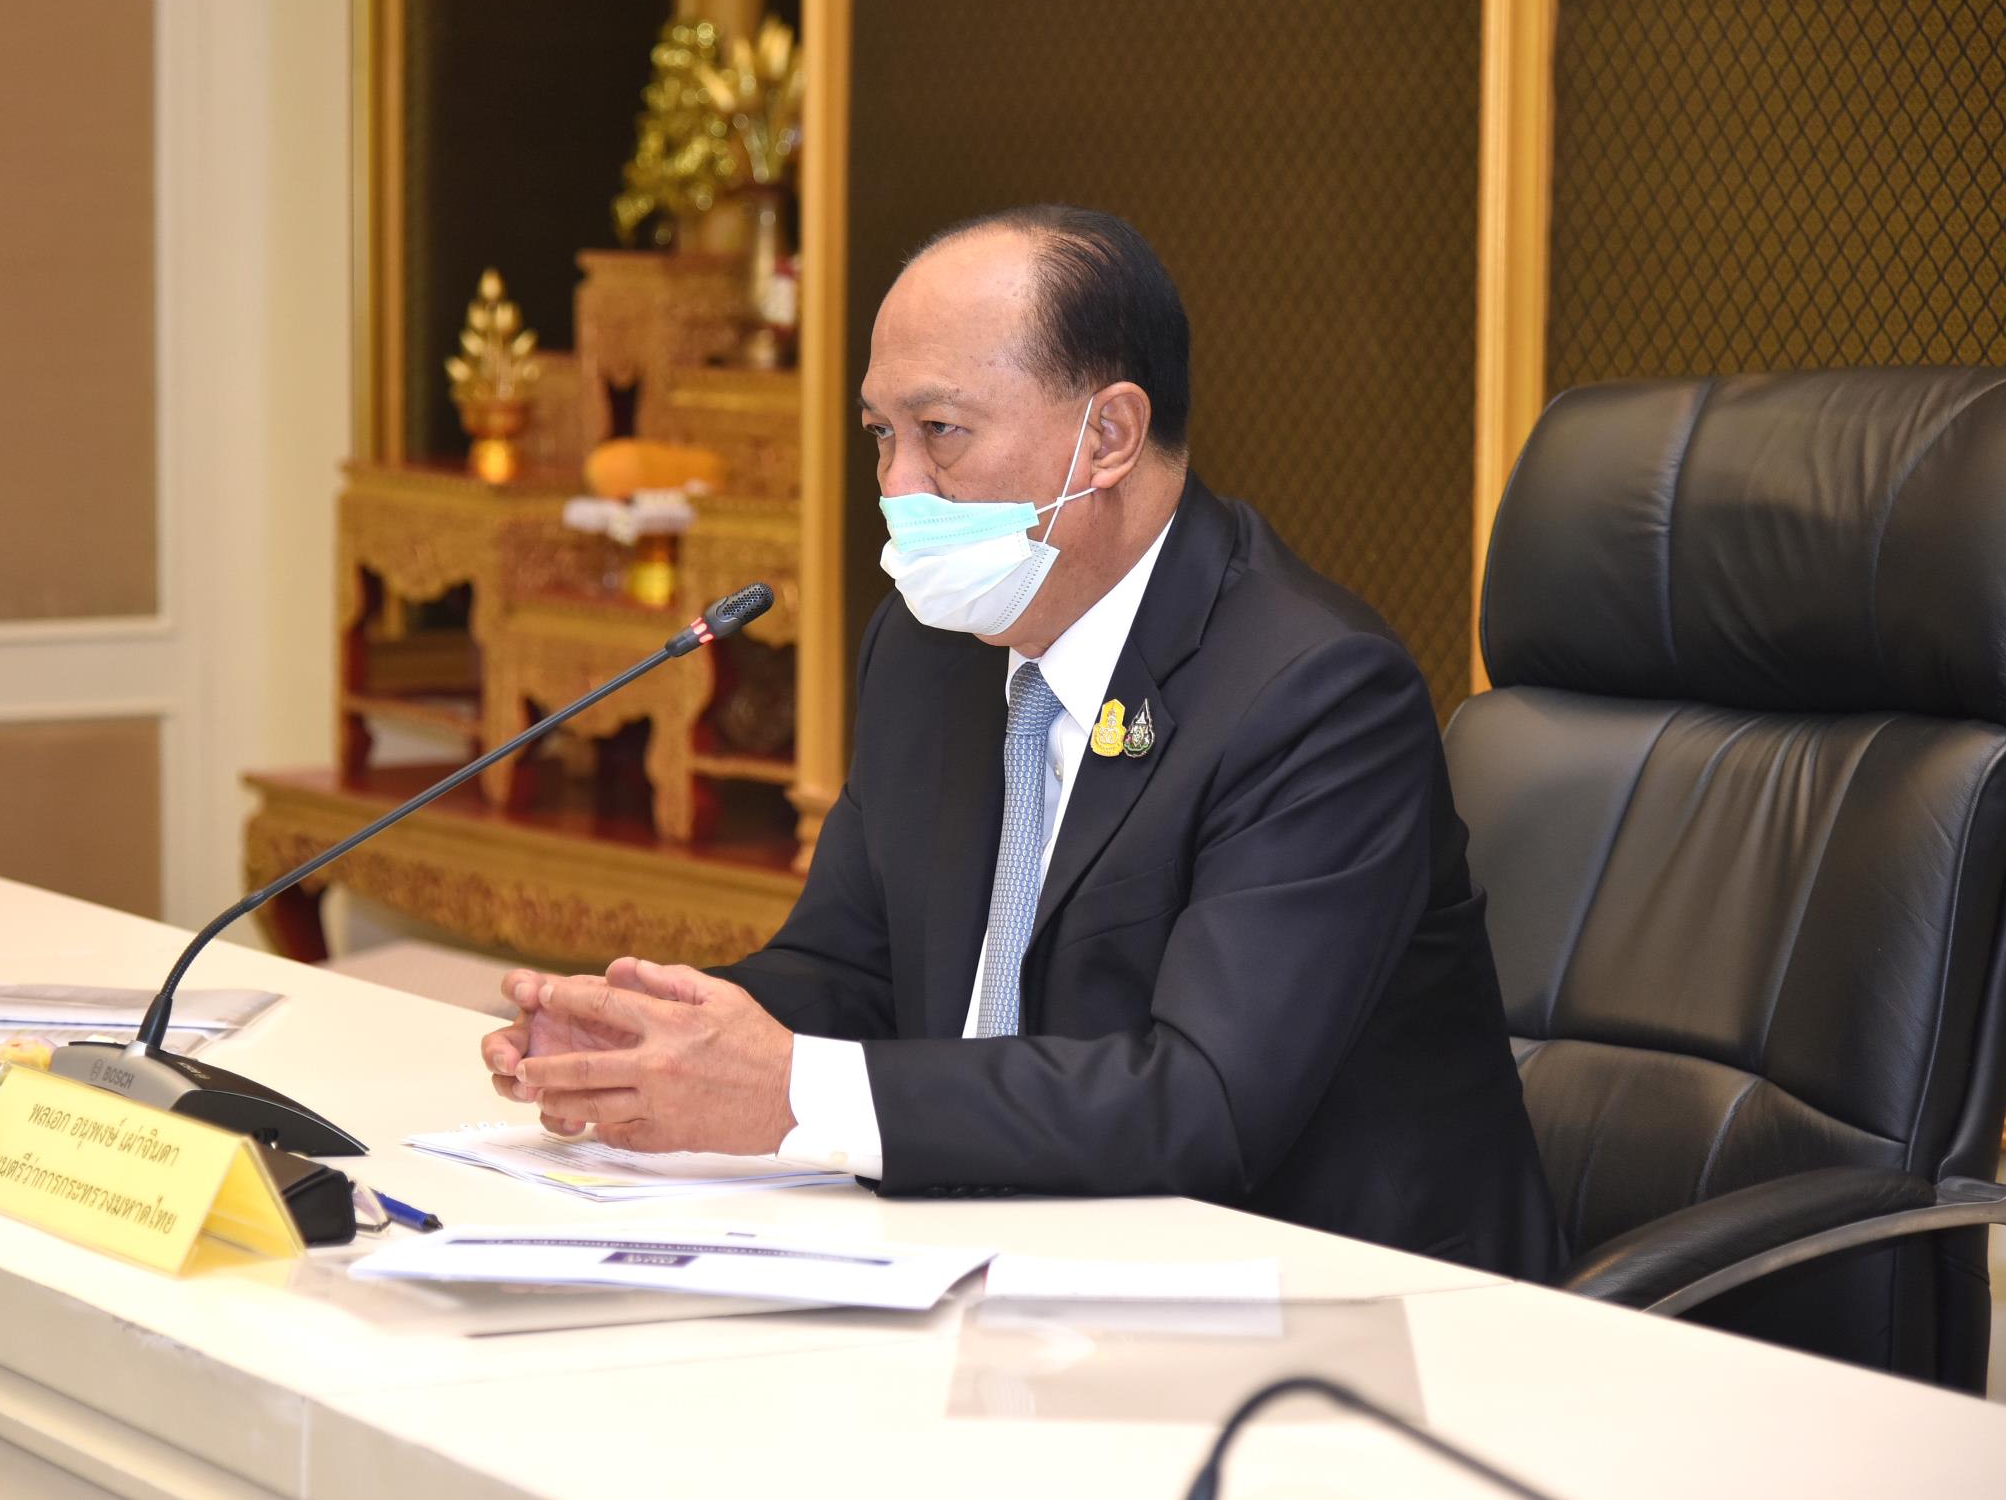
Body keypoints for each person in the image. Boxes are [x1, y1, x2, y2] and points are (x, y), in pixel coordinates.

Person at [480, 205, 1564, 1279]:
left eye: (940, 431)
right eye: (880, 434)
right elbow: (848, 971)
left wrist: (793, 1091)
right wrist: (652, 1042)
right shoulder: (928, 647)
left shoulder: (1315, 694)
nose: (896, 486)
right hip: (1002, 1250)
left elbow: (1204, 1103)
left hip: (1340, 1301)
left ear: (1109, 437)